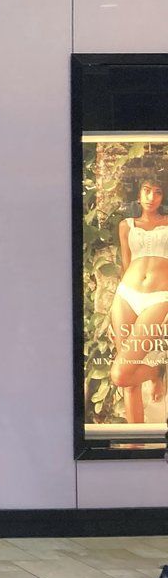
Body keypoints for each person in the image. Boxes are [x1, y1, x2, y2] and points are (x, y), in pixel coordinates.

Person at [109, 166, 168, 424]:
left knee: (121, 373)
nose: (151, 197)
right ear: (138, 192)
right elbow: (125, 265)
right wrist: (109, 313)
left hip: (158, 298)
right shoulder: (126, 226)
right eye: (146, 190)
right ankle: (135, 443)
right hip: (126, 295)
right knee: (129, 384)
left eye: (157, 192)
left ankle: (158, 372)